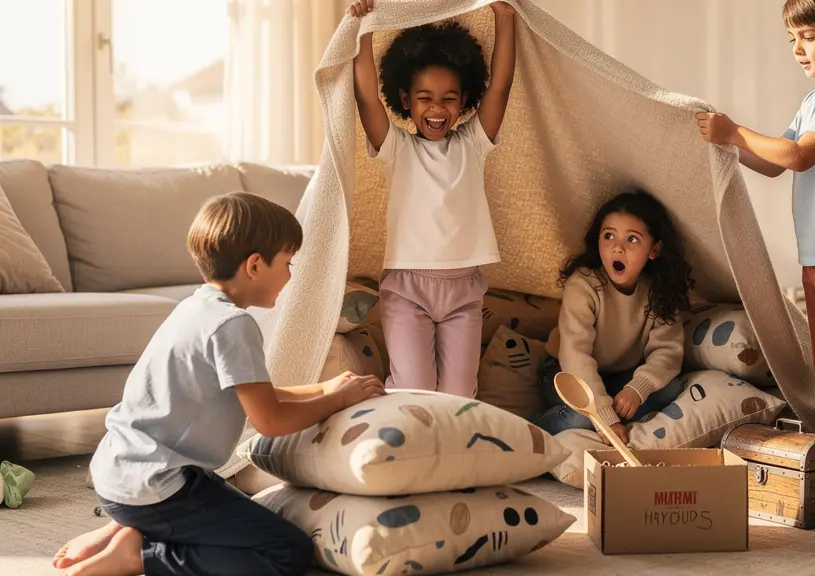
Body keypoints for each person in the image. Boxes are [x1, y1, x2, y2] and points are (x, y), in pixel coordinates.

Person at [52, 192, 386, 576]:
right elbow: (270, 421)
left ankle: (122, 527)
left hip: (121, 472)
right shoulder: (234, 326)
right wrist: (335, 402)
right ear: (256, 266)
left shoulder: (195, 308)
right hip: (157, 486)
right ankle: (140, 556)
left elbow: (253, 393)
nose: (291, 275)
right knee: (286, 551)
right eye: (288, 262)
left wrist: (323, 389)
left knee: (229, 504)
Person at [696, 0, 815, 507]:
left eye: (806, 36)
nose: (797, 49)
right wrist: (720, 143)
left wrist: (734, 130)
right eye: (792, 40)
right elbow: (772, 165)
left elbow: (800, 156)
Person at [347, 0, 517, 397]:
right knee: (414, 390)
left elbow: (502, 85)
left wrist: (505, 18)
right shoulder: (396, 147)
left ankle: (453, 455)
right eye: (425, 98)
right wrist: (365, 28)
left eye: (449, 99)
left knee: (459, 396)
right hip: (407, 289)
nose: (437, 109)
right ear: (405, 99)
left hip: (464, 290)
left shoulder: (474, 142)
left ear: (465, 101)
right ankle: (404, 449)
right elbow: (367, 98)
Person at [533, 190, 694, 446]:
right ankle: (529, 434)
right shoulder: (585, 285)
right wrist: (603, 415)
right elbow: (576, 356)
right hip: (565, 373)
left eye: (632, 239)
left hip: (618, 377)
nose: (617, 247)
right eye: (608, 236)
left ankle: (604, 416)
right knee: (579, 418)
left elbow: (667, 352)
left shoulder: (661, 292)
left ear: (654, 250)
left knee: (671, 388)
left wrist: (636, 390)